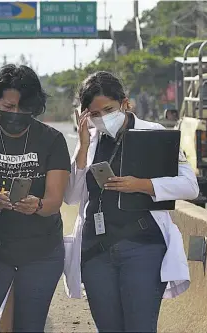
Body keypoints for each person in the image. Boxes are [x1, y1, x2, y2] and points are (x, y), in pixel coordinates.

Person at [63, 71, 199, 332]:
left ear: (125, 103)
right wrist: (81, 149)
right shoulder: (88, 142)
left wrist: (143, 185)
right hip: (96, 252)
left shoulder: (155, 134)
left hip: (143, 249)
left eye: (109, 109)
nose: (103, 118)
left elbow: (190, 186)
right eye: (94, 114)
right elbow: (71, 196)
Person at [0, 64, 71, 332]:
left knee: (30, 326)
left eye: (24, 108)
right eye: (8, 107)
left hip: (42, 251)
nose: (16, 114)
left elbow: (55, 201)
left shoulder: (52, 140)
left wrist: (38, 205)